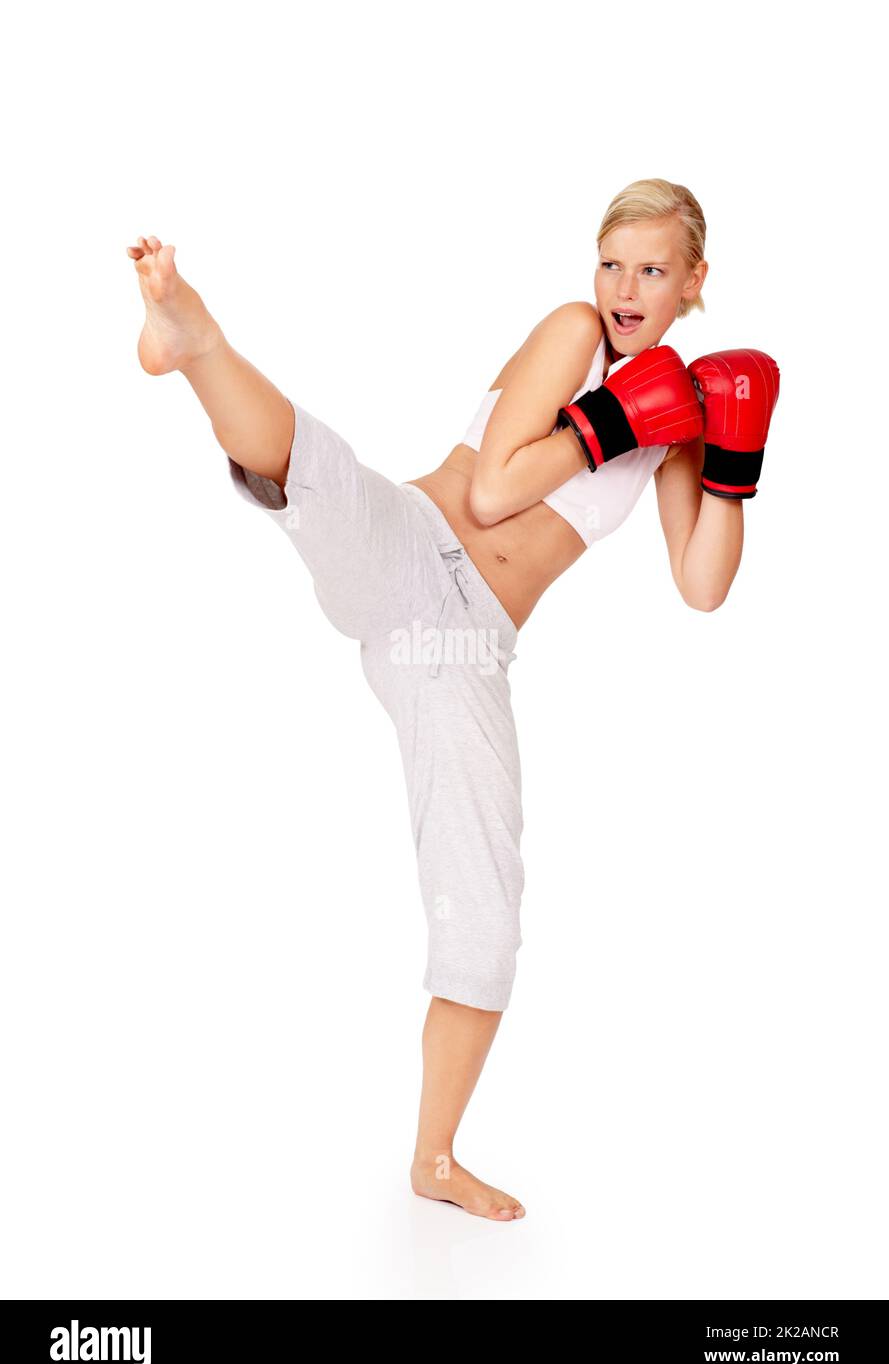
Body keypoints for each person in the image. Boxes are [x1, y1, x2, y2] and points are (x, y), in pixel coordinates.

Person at [126, 178, 778, 1223]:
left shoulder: (679, 426)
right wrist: (613, 416)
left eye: (651, 269)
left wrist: (734, 462)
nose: (622, 288)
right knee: (322, 475)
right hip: (414, 544)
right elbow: (488, 491)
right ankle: (191, 339)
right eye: (611, 262)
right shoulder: (572, 336)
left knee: (484, 900)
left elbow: (701, 586)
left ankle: (433, 1159)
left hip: (467, 645)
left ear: (695, 280)